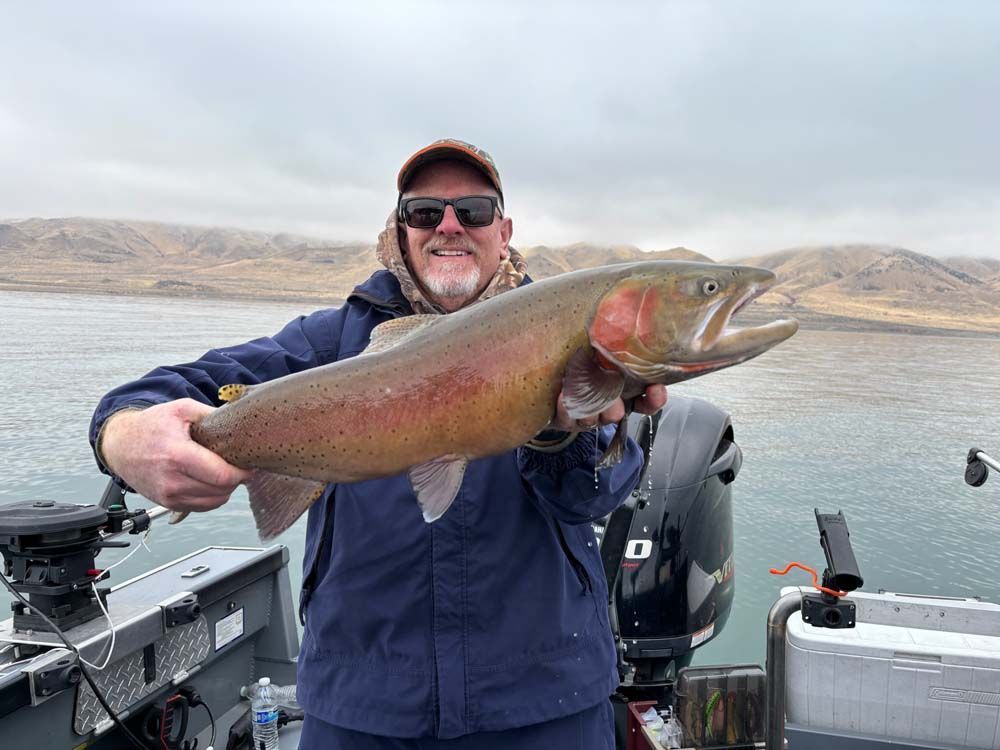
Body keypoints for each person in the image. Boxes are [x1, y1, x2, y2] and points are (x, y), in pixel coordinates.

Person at [90, 139, 667, 749]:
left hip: (545, 699)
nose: (449, 226)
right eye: (425, 212)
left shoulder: (577, 334)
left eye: (472, 210)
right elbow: (174, 388)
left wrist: (559, 432)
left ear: (504, 230)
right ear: (400, 229)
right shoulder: (333, 342)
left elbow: (591, 498)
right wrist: (123, 433)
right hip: (362, 704)